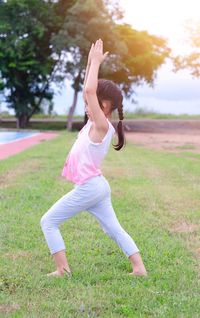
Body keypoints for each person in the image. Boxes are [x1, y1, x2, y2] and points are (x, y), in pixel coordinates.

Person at [40, 39, 147, 277]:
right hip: (97, 186)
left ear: (105, 105)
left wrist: (97, 62)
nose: (88, 102)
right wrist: (90, 63)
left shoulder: (102, 125)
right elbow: (89, 90)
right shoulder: (93, 122)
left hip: (90, 187)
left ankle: (63, 270)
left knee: (48, 221)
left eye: (94, 100)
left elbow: (89, 91)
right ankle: (139, 268)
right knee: (114, 230)